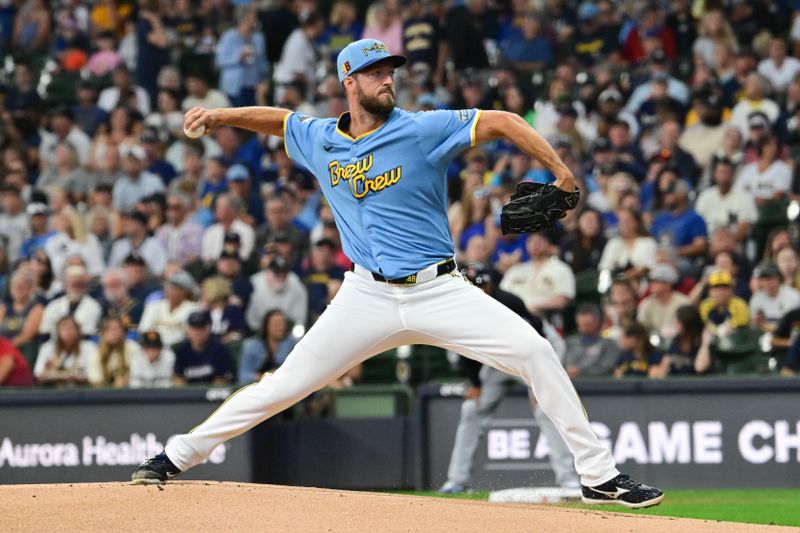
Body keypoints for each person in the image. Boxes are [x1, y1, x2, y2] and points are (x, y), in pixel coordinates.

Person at [132, 38, 663, 509]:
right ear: (349, 81)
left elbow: (504, 121)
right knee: (284, 385)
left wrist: (562, 172)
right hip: (365, 295)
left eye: (390, 71)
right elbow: (280, 119)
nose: (387, 78)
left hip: (439, 290)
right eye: (375, 72)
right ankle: (176, 456)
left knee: (536, 353)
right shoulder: (321, 138)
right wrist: (221, 116)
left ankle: (599, 475)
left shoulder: (422, 128)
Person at [439, 262, 578, 494]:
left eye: (480, 284)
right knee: (471, 410)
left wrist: (541, 383)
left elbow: (538, 342)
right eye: (470, 284)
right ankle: (457, 480)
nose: (476, 288)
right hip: (499, 360)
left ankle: (569, 479)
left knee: (547, 409)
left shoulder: (509, 302)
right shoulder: (461, 306)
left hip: (541, 350)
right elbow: (463, 347)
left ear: (491, 284)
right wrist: (475, 383)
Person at [172, 310, 235, 385]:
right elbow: (178, 378)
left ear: (208, 329)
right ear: (188, 330)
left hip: (213, 394)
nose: (198, 332)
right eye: (194, 328)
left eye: (202, 328)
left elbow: (221, 380)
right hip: (188, 394)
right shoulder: (182, 350)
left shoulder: (219, 348)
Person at [238, 309, 298, 385]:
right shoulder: (251, 346)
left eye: (282, 324)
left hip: (285, 385)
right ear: (266, 326)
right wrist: (264, 377)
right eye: (276, 325)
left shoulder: (291, 343)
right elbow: (243, 376)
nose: (281, 328)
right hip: (259, 387)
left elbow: (297, 369)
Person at [34, 316, 97, 386]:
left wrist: (71, 376)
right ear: (57, 332)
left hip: (82, 391)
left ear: (78, 331)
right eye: (64, 329)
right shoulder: (47, 347)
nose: (68, 332)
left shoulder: (89, 347)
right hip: (54, 391)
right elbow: (38, 376)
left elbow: (94, 378)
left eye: (71, 328)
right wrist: (47, 371)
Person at [563, 303, 620, 379]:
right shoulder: (569, 342)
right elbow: (560, 363)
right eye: (580, 324)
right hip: (569, 384)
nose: (582, 328)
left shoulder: (609, 344)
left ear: (596, 322)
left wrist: (580, 371)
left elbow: (607, 368)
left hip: (596, 387)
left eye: (587, 325)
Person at [88, 317, 140, 387]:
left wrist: (126, 380)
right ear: (103, 334)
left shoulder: (132, 347)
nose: (114, 333)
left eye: (117, 329)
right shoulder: (96, 353)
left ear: (123, 333)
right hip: (103, 393)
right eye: (109, 330)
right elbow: (94, 379)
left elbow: (140, 373)